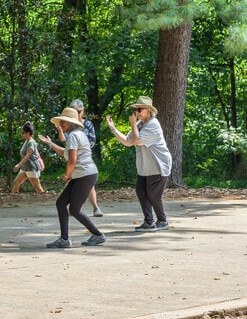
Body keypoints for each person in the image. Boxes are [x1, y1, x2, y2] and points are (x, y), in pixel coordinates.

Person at [38, 107, 106, 247]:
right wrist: (50, 144)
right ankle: (64, 239)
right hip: (84, 174)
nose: (61, 124)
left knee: (74, 209)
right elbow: (66, 153)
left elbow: (72, 160)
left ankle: (98, 235)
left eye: (63, 122)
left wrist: (67, 175)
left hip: (84, 175)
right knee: (61, 203)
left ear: (69, 123)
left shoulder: (74, 136)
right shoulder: (77, 134)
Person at [106, 95, 172, 232]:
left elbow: (138, 141)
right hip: (144, 167)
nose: (136, 113)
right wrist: (113, 128)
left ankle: (162, 220)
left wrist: (132, 125)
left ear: (148, 110)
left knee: (153, 195)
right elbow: (127, 141)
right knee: (141, 192)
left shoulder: (153, 125)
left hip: (158, 166)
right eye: (136, 110)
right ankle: (149, 222)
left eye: (139, 109)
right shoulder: (139, 125)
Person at [57, 99, 103, 217]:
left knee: (75, 204)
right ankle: (73, 210)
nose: (77, 113)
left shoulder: (84, 127)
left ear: (83, 111)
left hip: (84, 161)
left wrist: (81, 149)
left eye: (79, 111)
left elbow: (91, 141)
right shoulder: (72, 132)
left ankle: (94, 209)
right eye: (75, 111)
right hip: (75, 160)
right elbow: (64, 142)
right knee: (65, 201)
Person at [11, 121, 45, 194]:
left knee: (37, 186)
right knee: (16, 183)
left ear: (28, 133)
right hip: (24, 168)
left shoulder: (31, 142)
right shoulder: (26, 141)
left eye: (23, 132)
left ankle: (44, 199)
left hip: (31, 167)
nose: (22, 134)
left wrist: (18, 165)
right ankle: (14, 200)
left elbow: (28, 155)